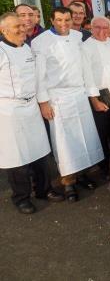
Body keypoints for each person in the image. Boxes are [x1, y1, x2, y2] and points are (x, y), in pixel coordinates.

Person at [32, 7, 104, 202]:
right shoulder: (41, 41)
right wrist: (43, 102)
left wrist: (93, 97)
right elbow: (39, 76)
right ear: (51, 20)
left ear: (73, 20)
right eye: (59, 20)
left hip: (79, 94)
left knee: (84, 139)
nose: (63, 24)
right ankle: (68, 181)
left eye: (67, 20)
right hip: (57, 97)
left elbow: (85, 68)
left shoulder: (77, 36)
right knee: (64, 143)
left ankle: (82, 174)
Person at [0, 12, 64, 214]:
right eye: (16, 27)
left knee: (40, 151)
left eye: (22, 25)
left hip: (31, 107)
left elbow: (37, 80)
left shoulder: (27, 49)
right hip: (9, 110)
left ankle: (44, 189)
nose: (22, 29)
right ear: (3, 30)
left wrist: (42, 102)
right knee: (16, 157)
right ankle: (21, 198)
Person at [83, 17, 110, 176]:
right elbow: (87, 76)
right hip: (100, 95)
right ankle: (106, 167)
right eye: (97, 28)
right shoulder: (85, 47)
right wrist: (95, 100)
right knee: (103, 133)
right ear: (91, 28)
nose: (102, 31)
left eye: (105, 28)